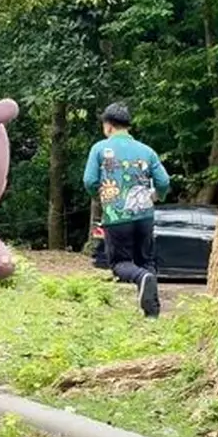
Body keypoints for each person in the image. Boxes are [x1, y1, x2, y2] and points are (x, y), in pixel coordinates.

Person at [83, 102, 171, 318]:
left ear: (108, 126)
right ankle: (152, 313)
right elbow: (164, 180)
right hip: (144, 215)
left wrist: (102, 195)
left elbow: (89, 180)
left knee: (120, 264)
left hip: (116, 216)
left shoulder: (100, 149)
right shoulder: (146, 151)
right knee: (147, 261)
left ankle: (141, 279)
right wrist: (156, 195)